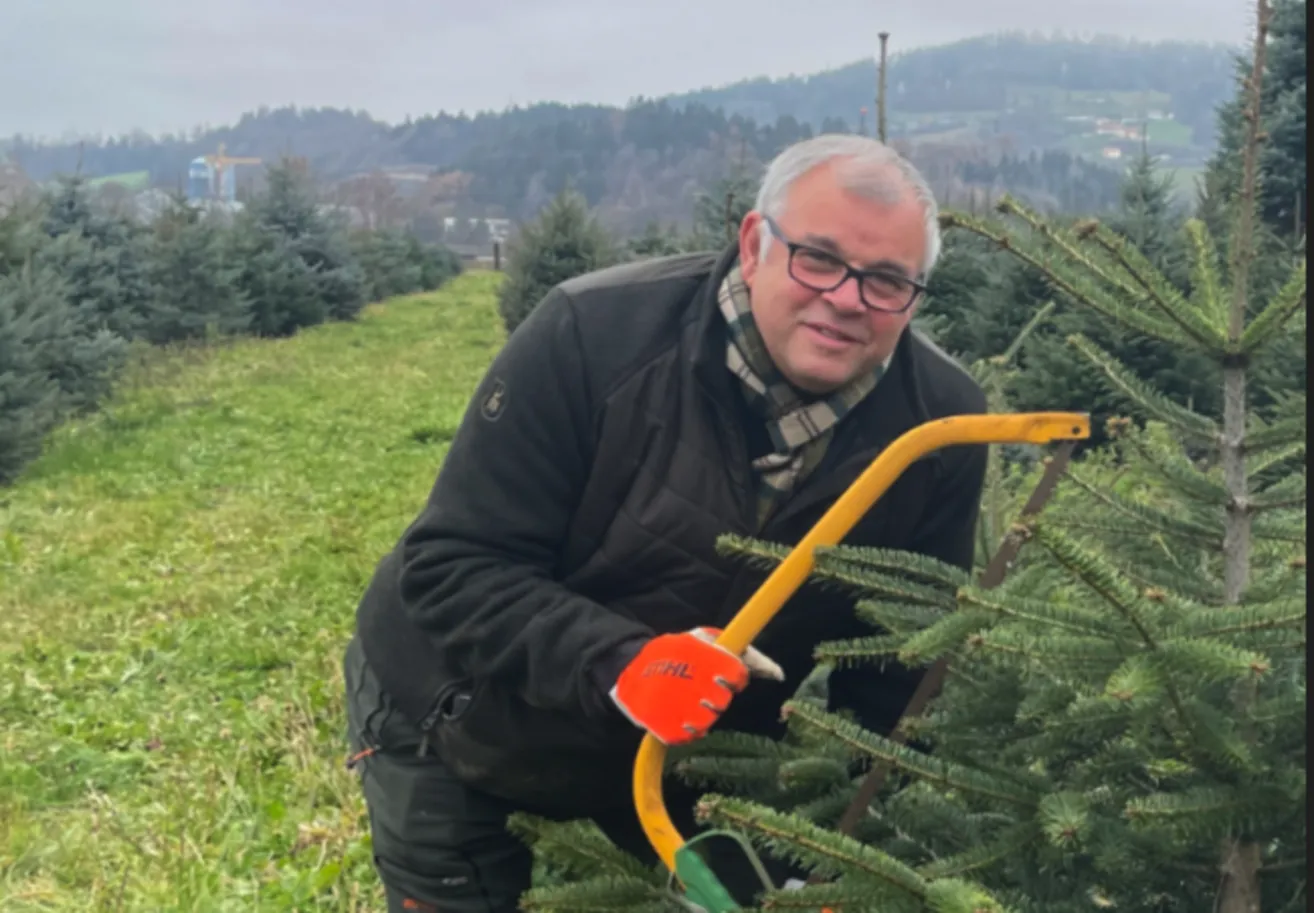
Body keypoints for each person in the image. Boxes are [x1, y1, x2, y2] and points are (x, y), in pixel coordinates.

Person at [342, 133, 988, 912]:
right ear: (755, 244)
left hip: (690, 750)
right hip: (462, 709)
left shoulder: (940, 425)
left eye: (887, 280)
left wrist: (843, 849)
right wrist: (621, 663)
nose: (847, 298)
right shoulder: (594, 334)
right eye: (818, 258)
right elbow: (452, 565)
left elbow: (900, 667)